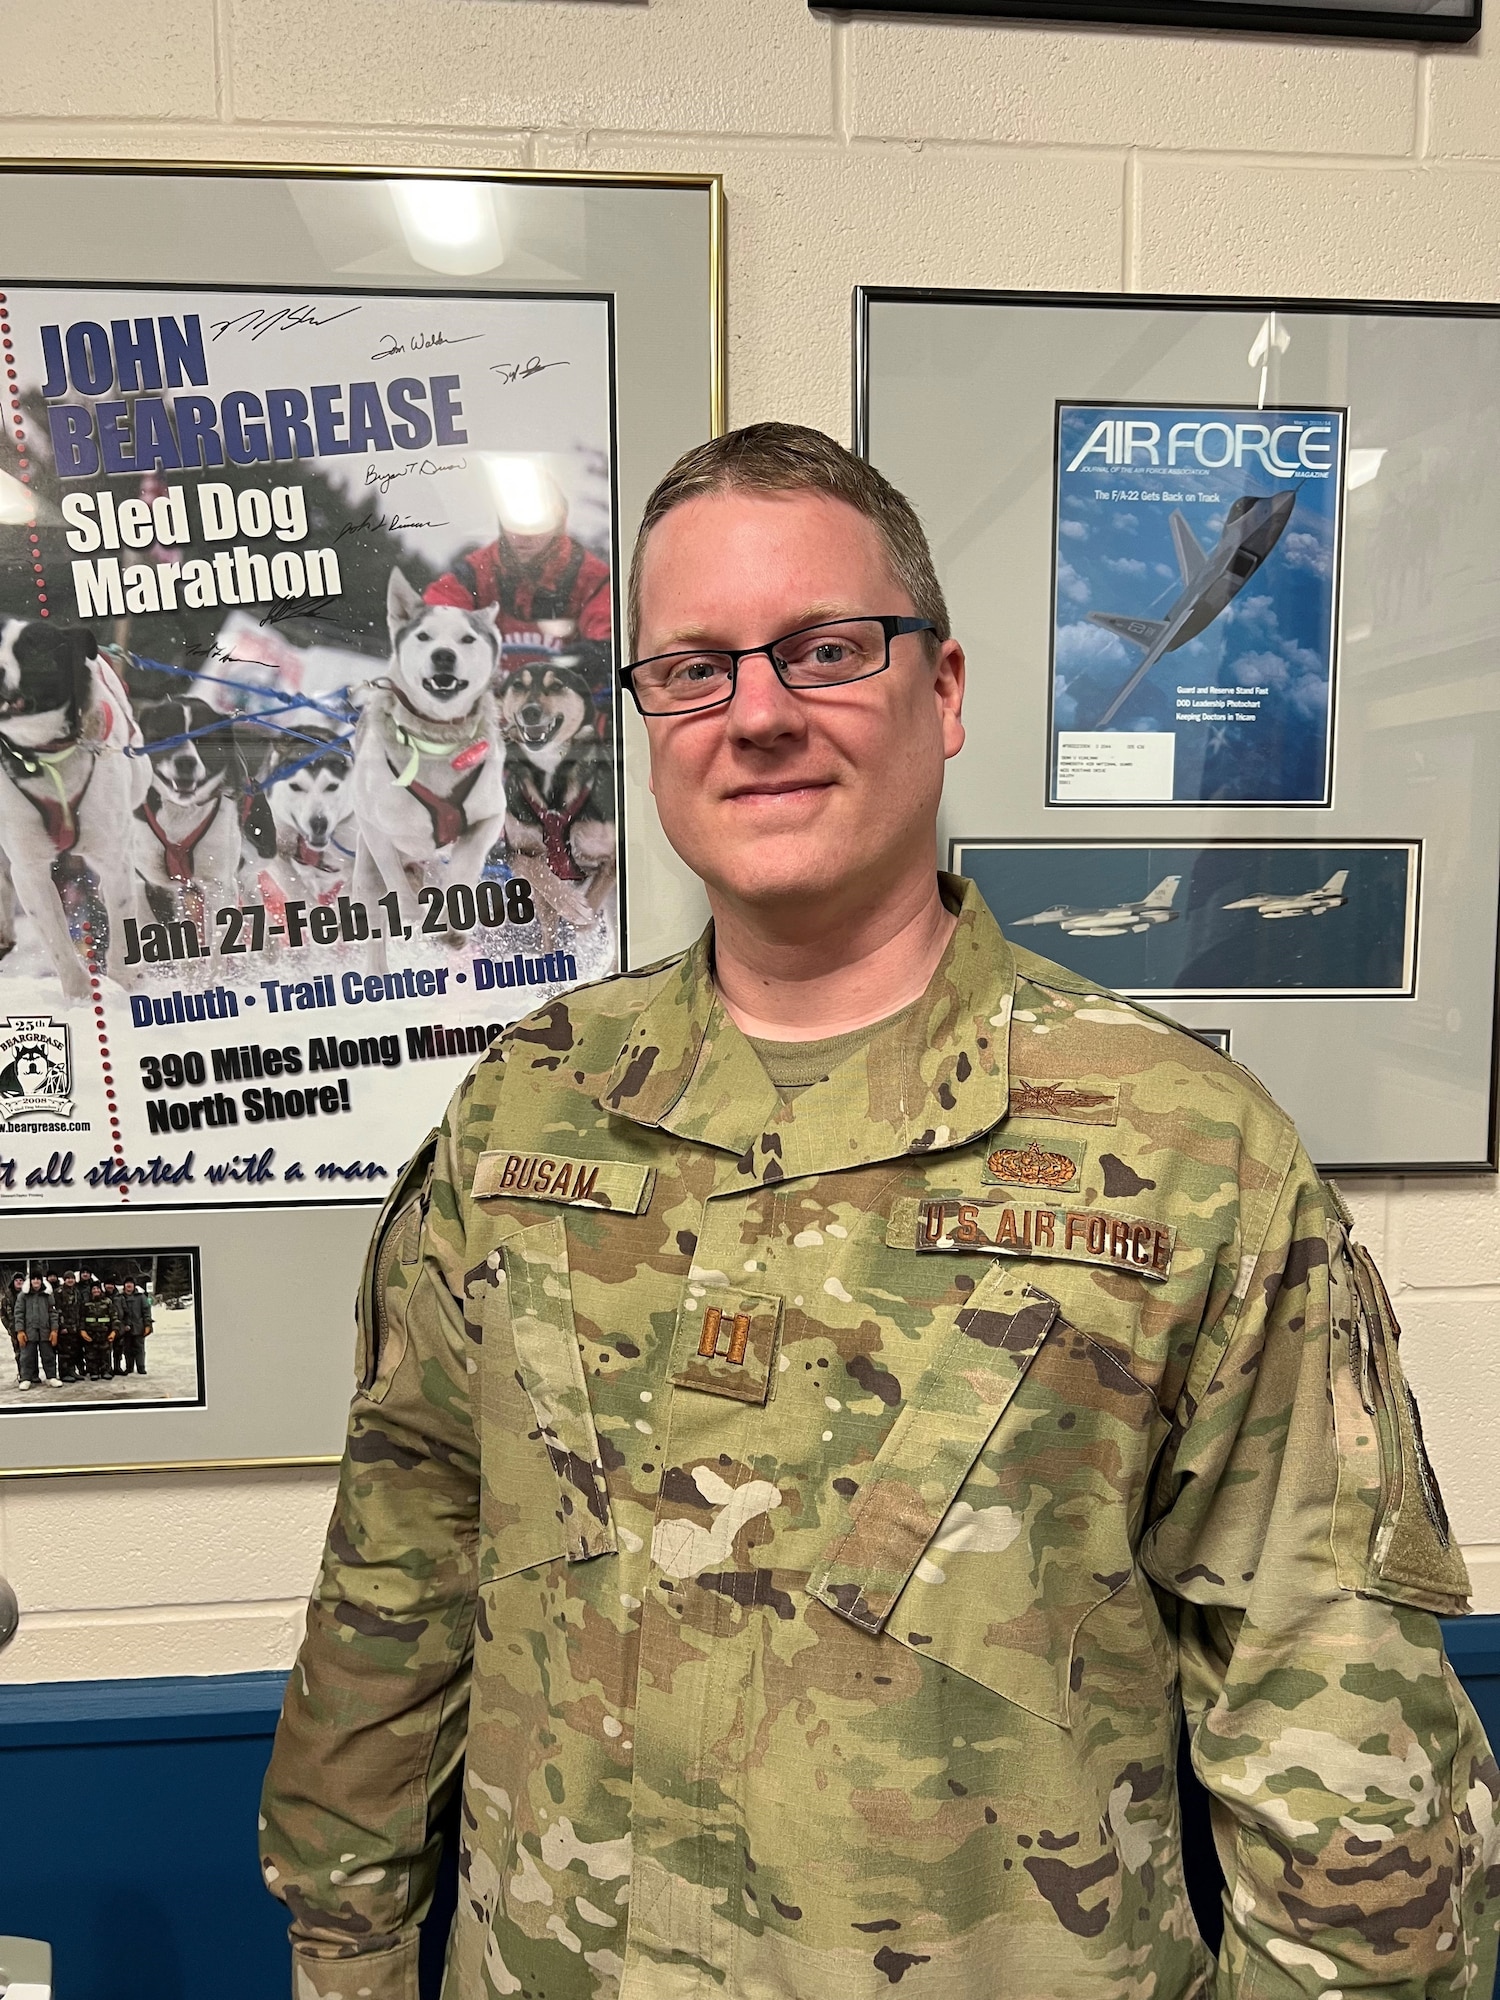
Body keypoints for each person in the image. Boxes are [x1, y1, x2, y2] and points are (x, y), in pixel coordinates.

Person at [262, 424, 1500, 1999]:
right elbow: (401, 1561)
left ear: (948, 690)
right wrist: (345, 1950)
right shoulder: (527, 1115)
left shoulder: (1187, 1154)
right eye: (695, 669)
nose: (759, 714)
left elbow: (1333, 1737)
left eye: (827, 650)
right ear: (648, 720)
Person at [424, 463, 612, 663]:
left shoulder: (593, 580)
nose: (524, 535)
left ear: (558, 522)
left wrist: (599, 654)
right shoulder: (474, 574)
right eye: (514, 521)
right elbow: (435, 616)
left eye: (537, 522)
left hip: (568, 691)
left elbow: (610, 630)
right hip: (490, 692)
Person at [14, 1274, 57, 1389]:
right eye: (34, 1279)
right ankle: (26, 1379)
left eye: (38, 1279)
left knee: (48, 1355)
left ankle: (51, 1377)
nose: (36, 1281)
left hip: (45, 1331)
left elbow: (53, 1313)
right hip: (29, 1331)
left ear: (41, 1281)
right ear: (30, 1281)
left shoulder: (47, 1295)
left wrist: (54, 1330)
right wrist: (20, 1330)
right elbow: (19, 1313)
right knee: (27, 1356)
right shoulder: (23, 1296)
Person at [113, 1280, 151, 1376]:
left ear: (134, 1286)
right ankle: (129, 1367)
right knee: (127, 1348)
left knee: (139, 1348)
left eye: (131, 1283)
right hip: (125, 1328)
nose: (129, 1285)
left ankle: (141, 1367)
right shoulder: (120, 1297)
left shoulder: (141, 1297)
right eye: (127, 1283)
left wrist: (147, 1325)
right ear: (124, 1286)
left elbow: (146, 1312)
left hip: (139, 1326)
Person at [53, 1272, 84, 1384]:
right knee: (64, 1351)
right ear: (64, 1280)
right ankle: (64, 1373)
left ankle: (72, 1370)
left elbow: (79, 1309)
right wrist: (61, 1326)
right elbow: (56, 1310)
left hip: (75, 1327)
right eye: (68, 1278)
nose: (70, 1280)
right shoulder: (59, 1292)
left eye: (72, 1278)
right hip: (64, 1327)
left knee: (74, 1351)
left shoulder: (76, 1292)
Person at [80, 1284, 114, 1380]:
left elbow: (114, 1317)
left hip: (105, 1333)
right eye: (93, 1289)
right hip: (90, 1334)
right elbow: (82, 1318)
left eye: (97, 1288)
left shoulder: (108, 1302)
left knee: (105, 1353)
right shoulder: (86, 1304)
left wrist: (114, 1331)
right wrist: (82, 1330)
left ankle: (106, 1371)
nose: (96, 1290)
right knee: (91, 1354)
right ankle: (93, 1372)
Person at [2, 1273, 24, 1385]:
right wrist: (10, 1328)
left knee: (30, 1353)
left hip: (27, 1328)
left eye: (21, 1280)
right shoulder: (7, 1296)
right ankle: (22, 1374)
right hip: (14, 1330)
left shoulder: (27, 1294)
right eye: (17, 1280)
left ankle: (32, 1374)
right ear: (13, 1282)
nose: (19, 1282)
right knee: (18, 1353)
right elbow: (2, 1315)